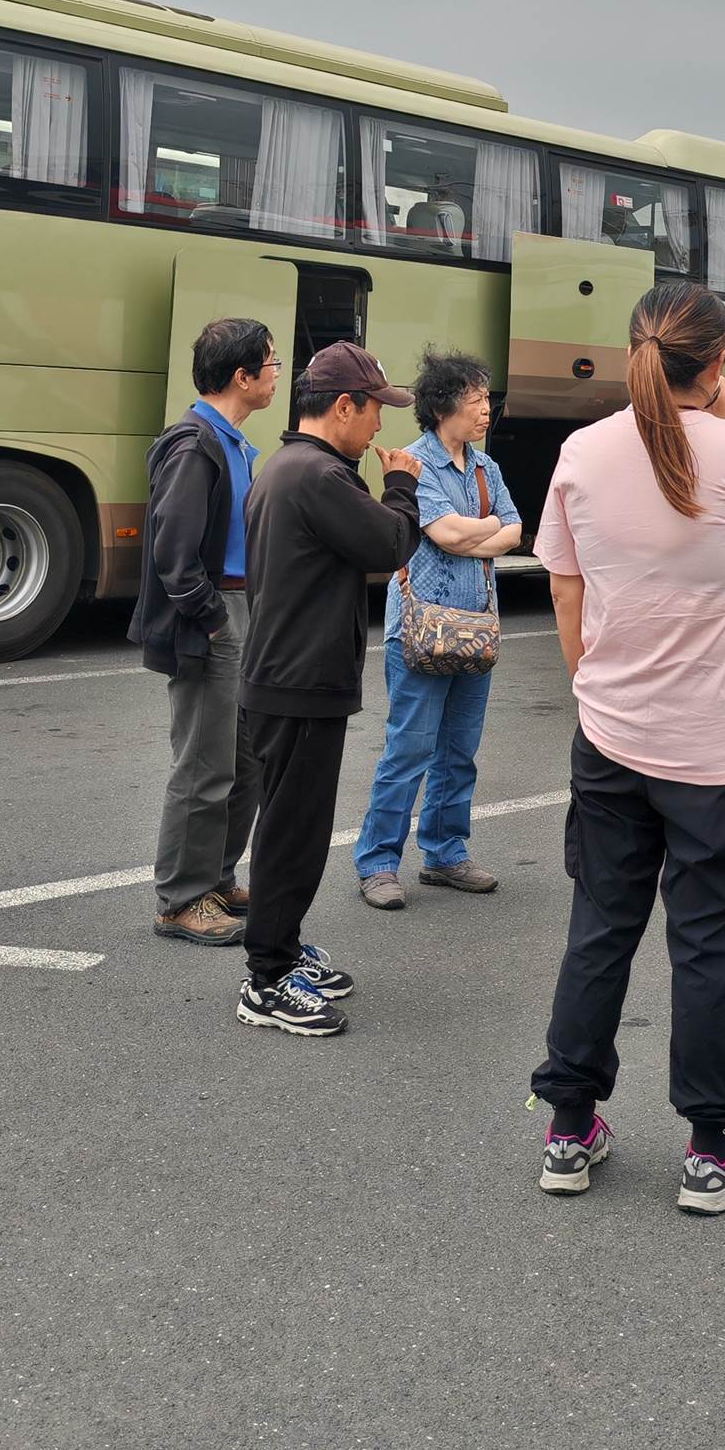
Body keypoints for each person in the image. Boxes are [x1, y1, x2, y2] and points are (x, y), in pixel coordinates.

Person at [529, 282, 725, 1215]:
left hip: (611, 733)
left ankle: (568, 1125)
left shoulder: (581, 452)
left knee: (601, 927)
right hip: (716, 746)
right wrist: (724, 419)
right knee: (708, 941)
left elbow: (566, 589)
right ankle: (712, 1147)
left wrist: (592, 687)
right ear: (717, 363)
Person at [234, 342, 422, 1039]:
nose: (380, 428)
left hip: (283, 673)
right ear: (343, 406)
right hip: (300, 677)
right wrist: (401, 483)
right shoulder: (318, 476)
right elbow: (390, 545)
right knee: (293, 833)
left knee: (291, 825)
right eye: (375, 411)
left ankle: (281, 949)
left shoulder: (286, 465)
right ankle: (268, 976)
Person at [353, 350, 523, 909]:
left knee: (459, 752)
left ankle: (447, 854)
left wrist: (486, 529)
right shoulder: (414, 463)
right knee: (408, 750)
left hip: (473, 630)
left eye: (485, 399)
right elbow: (447, 535)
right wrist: (487, 527)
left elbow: (515, 532)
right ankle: (377, 863)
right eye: (475, 400)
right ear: (444, 405)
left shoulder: (486, 468)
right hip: (421, 632)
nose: (485, 410)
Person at [130, 317, 278, 946]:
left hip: (244, 610)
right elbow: (174, 552)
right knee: (204, 763)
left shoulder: (233, 442)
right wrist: (214, 620)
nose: (278, 375)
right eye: (270, 365)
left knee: (244, 761)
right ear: (242, 377)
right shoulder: (195, 444)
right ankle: (181, 899)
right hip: (218, 616)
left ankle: (215, 879)